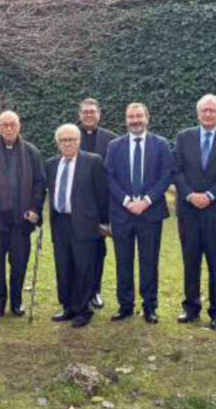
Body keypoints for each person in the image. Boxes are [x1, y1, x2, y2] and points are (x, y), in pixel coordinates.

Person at [173, 94, 216, 330]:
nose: (208, 114)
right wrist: (190, 195)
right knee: (190, 261)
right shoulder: (184, 137)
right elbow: (176, 170)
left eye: (213, 110)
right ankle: (191, 307)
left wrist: (210, 195)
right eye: (204, 110)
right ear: (198, 113)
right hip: (188, 210)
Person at [104, 102, 173, 324]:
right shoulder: (115, 146)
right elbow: (109, 177)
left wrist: (146, 201)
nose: (135, 120)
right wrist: (126, 201)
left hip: (150, 213)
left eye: (139, 116)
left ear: (147, 118)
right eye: (131, 117)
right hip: (122, 214)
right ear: (126, 120)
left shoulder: (161, 144)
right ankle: (125, 305)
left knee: (149, 261)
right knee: (123, 261)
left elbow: (166, 175)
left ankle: (149, 306)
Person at [0, 111, 46, 317]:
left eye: (12, 124)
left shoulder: (31, 152)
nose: (9, 128)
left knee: (19, 263)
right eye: (4, 125)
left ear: (19, 126)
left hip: (22, 220)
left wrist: (35, 209)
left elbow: (39, 184)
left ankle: (17, 301)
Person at [46, 124, 108, 328]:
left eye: (71, 139)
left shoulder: (93, 161)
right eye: (63, 140)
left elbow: (102, 194)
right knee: (64, 267)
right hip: (60, 223)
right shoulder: (51, 164)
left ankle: (83, 309)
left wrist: (104, 223)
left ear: (78, 141)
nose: (67, 144)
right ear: (58, 143)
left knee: (84, 267)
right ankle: (68, 307)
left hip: (85, 223)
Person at [77, 98, 117, 310]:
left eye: (92, 111)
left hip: (101, 206)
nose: (89, 115)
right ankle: (78, 291)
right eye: (85, 112)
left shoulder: (111, 140)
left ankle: (95, 291)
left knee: (98, 251)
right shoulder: (69, 135)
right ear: (80, 115)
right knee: (75, 251)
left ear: (99, 114)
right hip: (76, 205)